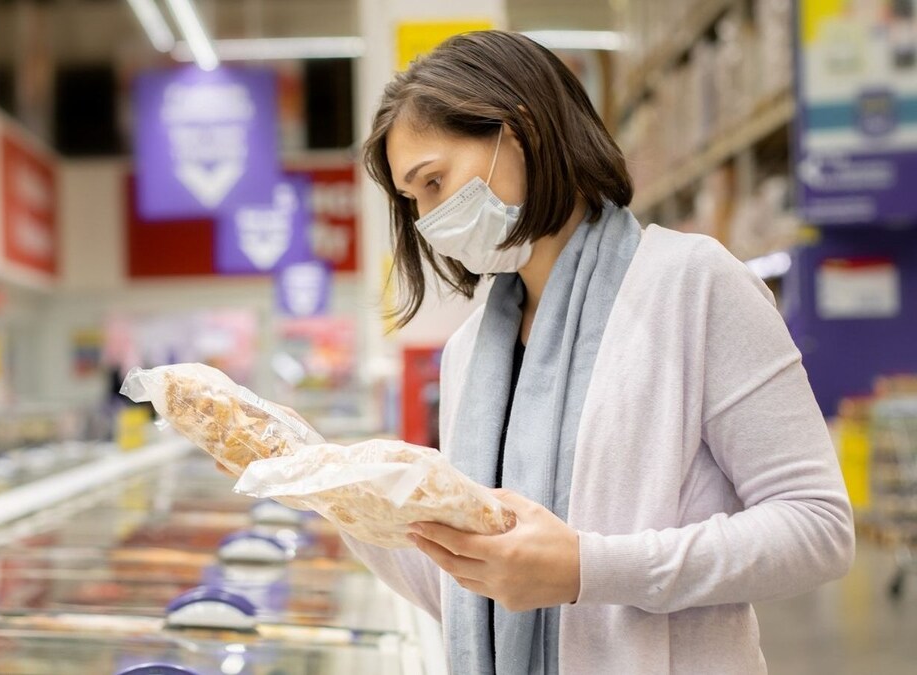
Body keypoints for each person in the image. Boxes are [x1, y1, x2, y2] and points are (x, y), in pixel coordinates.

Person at [343, 31, 855, 674]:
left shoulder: (693, 285)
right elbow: (478, 595)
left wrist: (588, 568)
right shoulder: (471, 353)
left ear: (520, 132)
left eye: (437, 181)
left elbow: (817, 529)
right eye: (413, 199)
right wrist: (342, 500)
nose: (430, 220)